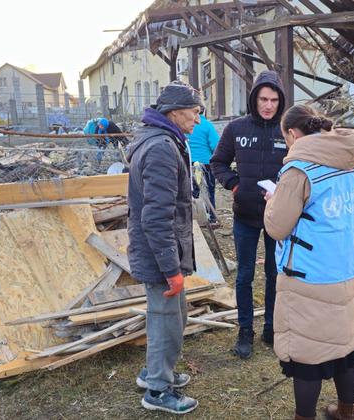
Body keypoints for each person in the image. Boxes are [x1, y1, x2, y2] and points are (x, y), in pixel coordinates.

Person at [264, 105, 354, 420]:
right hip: (346, 267)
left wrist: (274, 202)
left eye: (285, 139)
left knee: (307, 356)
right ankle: (346, 411)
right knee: (346, 346)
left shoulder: (300, 170)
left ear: (293, 135)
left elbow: (278, 227)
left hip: (309, 275)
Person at [125, 81, 203, 415]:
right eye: (195, 112)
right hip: (159, 253)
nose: (198, 120)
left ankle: (156, 373)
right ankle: (157, 389)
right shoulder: (160, 148)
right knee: (166, 319)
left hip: (160, 251)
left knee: (173, 316)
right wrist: (172, 269)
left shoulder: (164, 140)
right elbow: (156, 217)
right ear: (174, 111)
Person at [210, 70, 288, 359]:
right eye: (263, 99)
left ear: (281, 102)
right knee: (244, 276)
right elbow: (217, 162)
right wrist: (234, 185)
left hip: (276, 217)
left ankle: (271, 326)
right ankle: (245, 331)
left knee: (274, 274)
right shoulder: (236, 129)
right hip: (244, 215)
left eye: (274, 100)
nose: (268, 105)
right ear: (254, 99)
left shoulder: (287, 131)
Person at [187, 107, 220, 224]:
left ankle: (193, 218)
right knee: (209, 191)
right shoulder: (207, 125)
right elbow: (216, 145)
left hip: (188, 163)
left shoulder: (186, 124)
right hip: (205, 164)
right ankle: (211, 218)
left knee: (192, 191)